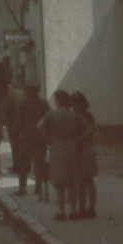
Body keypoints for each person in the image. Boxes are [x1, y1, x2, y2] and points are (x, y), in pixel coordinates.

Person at [37, 89, 88, 221]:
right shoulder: (74, 115)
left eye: (54, 99)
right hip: (71, 146)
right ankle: (73, 211)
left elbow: (40, 125)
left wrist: (47, 138)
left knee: (59, 181)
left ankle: (61, 211)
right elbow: (89, 128)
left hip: (57, 146)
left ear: (58, 100)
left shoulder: (52, 114)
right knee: (71, 180)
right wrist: (79, 138)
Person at [11, 85, 49, 198]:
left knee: (23, 163)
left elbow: (18, 120)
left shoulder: (22, 103)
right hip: (40, 137)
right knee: (39, 162)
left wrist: (15, 134)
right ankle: (38, 187)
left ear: (28, 92)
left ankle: (22, 188)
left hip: (25, 137)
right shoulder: (44, 104)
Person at [69, 90, 97, 220]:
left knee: (87, 179)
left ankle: (90, 207)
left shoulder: (86, 115)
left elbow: (89, 131)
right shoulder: (75, 114)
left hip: (86, 148)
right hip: (78, 149)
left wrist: (78, 139)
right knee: (81, 180)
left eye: (75, 103)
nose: (73, 105)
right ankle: (83, 207)